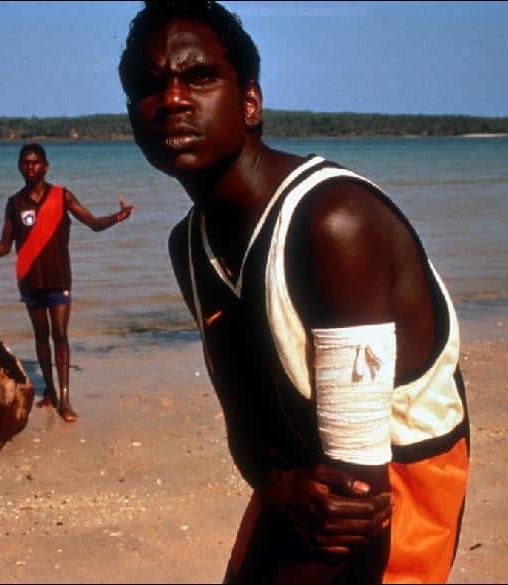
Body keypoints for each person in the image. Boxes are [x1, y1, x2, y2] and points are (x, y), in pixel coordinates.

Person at [118, 2, 470, 583]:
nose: (174, 99)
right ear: (133, 115)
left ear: (250, 102)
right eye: (150, 86)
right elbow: (247, 430)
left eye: (199, 76)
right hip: (299, 488)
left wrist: (284, 485)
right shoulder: (190, 245)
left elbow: (359, 496)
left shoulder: (333, 223)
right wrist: (277, 482)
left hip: (392, 504)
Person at [0, 142, 134, 423]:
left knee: (60, 334)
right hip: (29, 281)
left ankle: (65, 399)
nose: (30, 167)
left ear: (46, 166)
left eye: (35, 162)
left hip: (59, 279)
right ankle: (49, 391)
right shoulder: (15, 203)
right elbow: (3, 246)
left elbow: (93, 223)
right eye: (25, 162)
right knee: (41, 336)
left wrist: (117, 217)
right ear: (19, 166)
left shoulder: (62, 196)